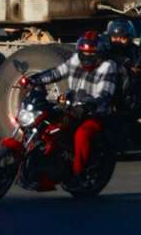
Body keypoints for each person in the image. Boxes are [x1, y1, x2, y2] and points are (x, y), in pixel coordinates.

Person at [22, 30, 119, 178]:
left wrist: (89, 104)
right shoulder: (75, 61)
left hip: (95, 113)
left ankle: (77, 173)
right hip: (70, 108)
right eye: (84, 53)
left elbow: (106, 92)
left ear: (99, 54)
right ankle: (38, 161)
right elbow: (57, 72)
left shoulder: (108, 66)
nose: (87, 57)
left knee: (82, 134)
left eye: (91, 54)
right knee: (46, 123)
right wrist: (34, 79)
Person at [104, 19, 141, 120]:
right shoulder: (106, 52)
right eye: (114, 37)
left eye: (122, 38)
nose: (118, 41)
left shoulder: (135, 51)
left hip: (129, 99)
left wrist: (135, 69)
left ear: (130, 38)